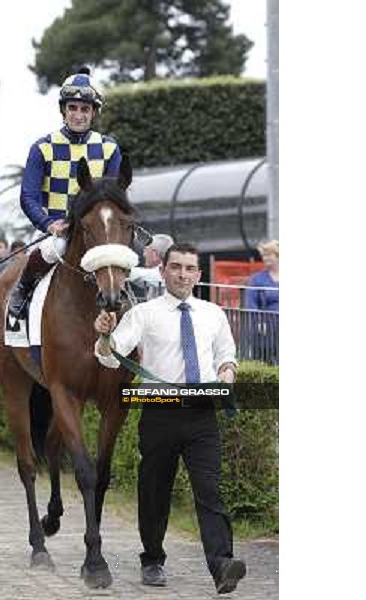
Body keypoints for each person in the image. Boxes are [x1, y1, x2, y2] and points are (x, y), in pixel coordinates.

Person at [93, 242, 246, 595]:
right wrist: (104, 335)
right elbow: (110, 357)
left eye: (189, 268)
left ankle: (222, 565)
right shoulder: (144, 314)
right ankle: (152, 559)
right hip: (159, 411)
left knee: (209, 490)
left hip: (202, 414)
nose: (182, 274)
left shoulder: (213, 313)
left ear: (198, 274)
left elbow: (227, 355)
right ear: (163, 272)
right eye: (175, 267)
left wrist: (227, 373)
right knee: (154, 492)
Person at [8, 66, 122, 318]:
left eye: (85, 109)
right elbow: (28, 197)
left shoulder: (109, 148)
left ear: (93, 112)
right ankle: (22, 291)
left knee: (126, 257)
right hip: (59, 231)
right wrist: (48, 224)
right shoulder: (42, 148)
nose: (78, 115)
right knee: (51, 249)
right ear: (63, 110)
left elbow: (113, 197)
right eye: (73, 108)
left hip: (96, 231)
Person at [245, 240, 279, 364]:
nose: (265, 258)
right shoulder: (257, 279)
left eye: (269, 254)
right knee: (266, 361)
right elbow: (251, 303)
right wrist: (259, 322)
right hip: (267, 328)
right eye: (264, 255)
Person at [128, 233, 174, 299]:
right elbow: (141, 281)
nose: (144, 254)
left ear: (154, 254)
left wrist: (120, 270)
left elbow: (141, 276)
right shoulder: (152, 279)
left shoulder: (167, 272)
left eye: (146, 250)